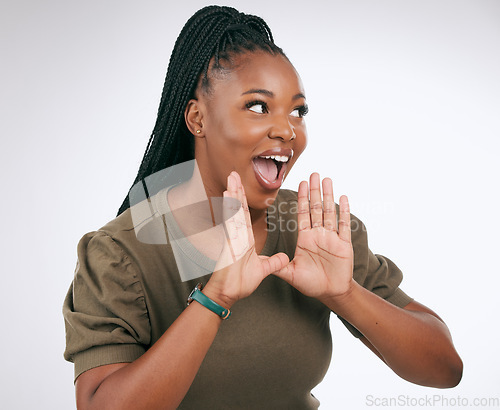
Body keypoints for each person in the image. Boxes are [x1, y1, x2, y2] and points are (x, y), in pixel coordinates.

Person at [63, 5, 463, 409]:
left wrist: (345, 294)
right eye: (258, 106)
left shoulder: (317, 230)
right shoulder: (119, 254)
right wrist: (214, 297)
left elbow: (446, 369)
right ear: (197, 118)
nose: (287, 129)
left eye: (298, 111)